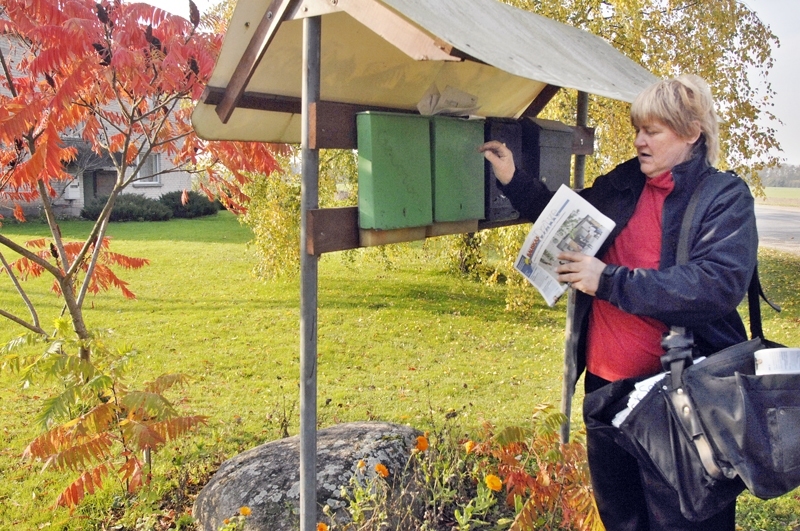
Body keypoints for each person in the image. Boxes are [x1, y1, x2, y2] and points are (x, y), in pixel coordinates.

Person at [480, 74, 758, 531]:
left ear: (692, 132)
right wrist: (513, 178)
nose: (639, 141)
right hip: (607, 392)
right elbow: (568, 218)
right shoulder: (626, 181)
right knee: (621, 520)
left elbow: (716, 284)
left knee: (685, 523)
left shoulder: (723, 196)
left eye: (653, 131)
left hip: (681, 399)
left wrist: (608, 280)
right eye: (637, 129)